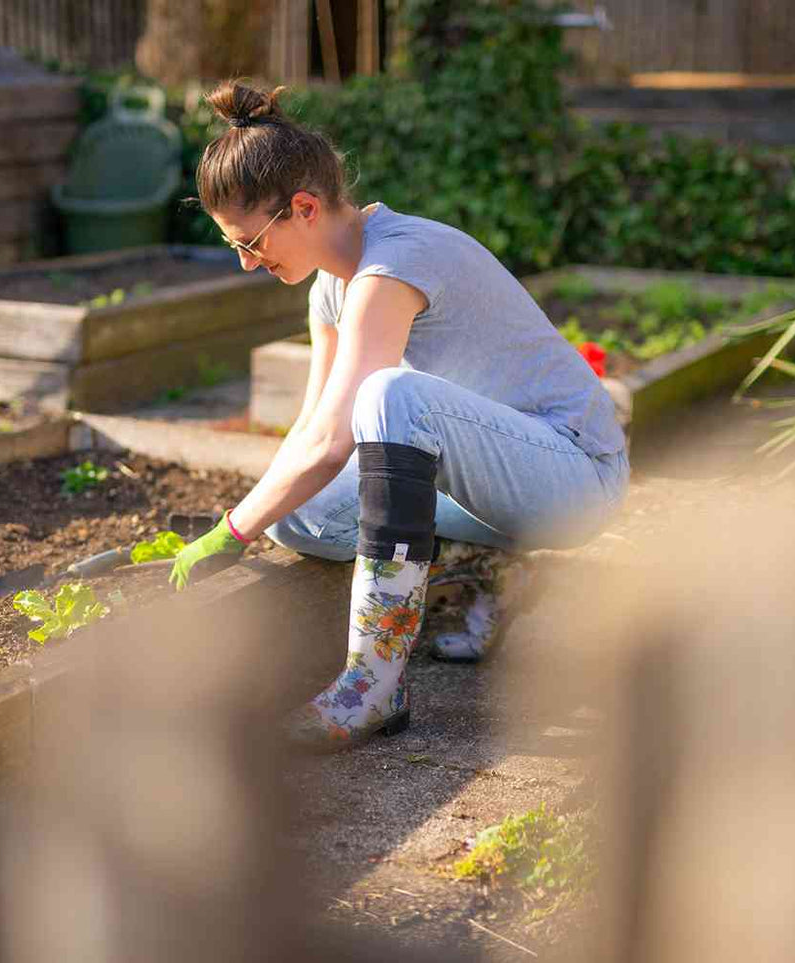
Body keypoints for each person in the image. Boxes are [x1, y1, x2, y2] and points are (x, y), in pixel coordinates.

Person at [169, 80, 628, 751]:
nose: (245, 262)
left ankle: (372, 683)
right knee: (301, 517)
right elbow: (310, 429)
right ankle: (489, 558)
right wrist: (251, 516)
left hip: (574, 476)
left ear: (302, 207)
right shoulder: (332, 285)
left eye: (249, 242)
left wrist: (230, 530)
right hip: (490, 484)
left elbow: (336, 435)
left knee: (389, 396)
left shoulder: (394, 263)